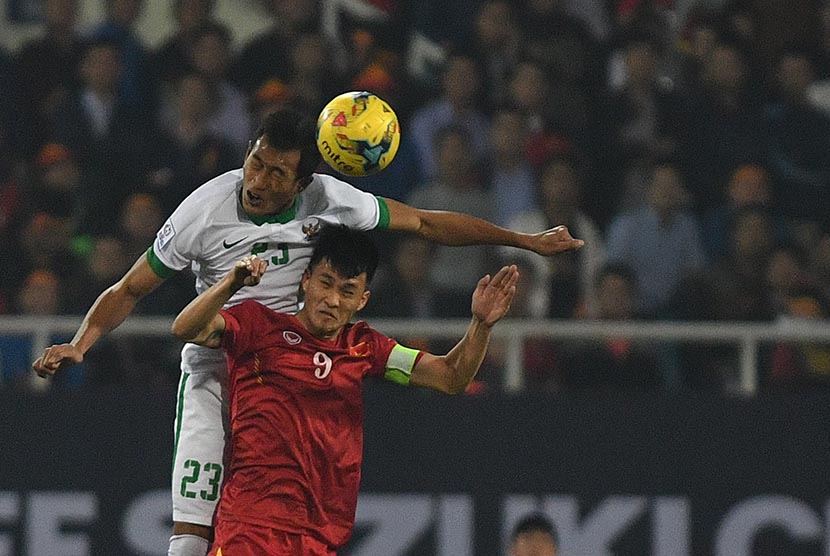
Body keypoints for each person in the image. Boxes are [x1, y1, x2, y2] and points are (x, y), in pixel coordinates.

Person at [31, 105, 582, 556]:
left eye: (275, 173)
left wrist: (523, 240)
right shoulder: (204, 209)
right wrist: (82, 342)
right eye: (255, 162)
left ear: (303, 181)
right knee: (193, 529)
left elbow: (425, 222)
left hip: (289, 368)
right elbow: (131, 289)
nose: (257, 180)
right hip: (217, 357)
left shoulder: (331, 203)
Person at [171, 225, 518, 554]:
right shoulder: (258, 325)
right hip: (252, 528)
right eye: (326, 283)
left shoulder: (364, 348)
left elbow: (449, 377)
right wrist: (231, 282)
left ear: (363, 299)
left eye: (347, 290)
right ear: (306, 281)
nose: (333, 300)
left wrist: (481, 326)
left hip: (320, 537)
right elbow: (186, 327)